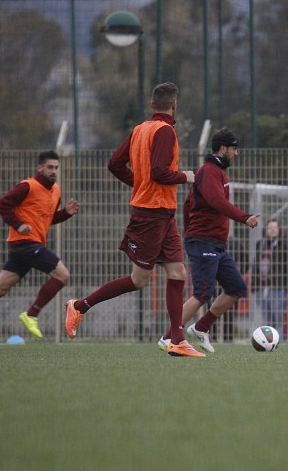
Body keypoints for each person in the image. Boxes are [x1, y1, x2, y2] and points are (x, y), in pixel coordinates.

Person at [64, 82, 203, 357]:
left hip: (163, 213)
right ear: (174, 105)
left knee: (177, 273)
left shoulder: (140, 129)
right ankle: (80, 306)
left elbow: (115, 164)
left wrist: (138, 184)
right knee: (139, 280)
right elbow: (160, 173)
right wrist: (185, 176)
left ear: (152, 106)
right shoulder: (165, 131)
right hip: (150, 214)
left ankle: (176, 339)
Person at [0, 150, 79, 351]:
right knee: (63, 275)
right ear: (40, 168)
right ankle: (31, 314)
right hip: (25, 243)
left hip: (29, 246)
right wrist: (18, 224)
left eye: (56, 167)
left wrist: (66, 213)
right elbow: (3, 204)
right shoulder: (28, 186)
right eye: (50, 167)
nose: (54, 171)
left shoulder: (55, 191)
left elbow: (47, 218)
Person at [156, 128, 260, 353]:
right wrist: (244, 217)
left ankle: (201, 328)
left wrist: (189, 232)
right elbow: (215, 201)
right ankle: (169, 336)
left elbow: (187, 205)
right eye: (234, 149)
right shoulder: (210, 171)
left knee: (237, 287)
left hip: (215, 244)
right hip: (203, 242)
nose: (236, 153)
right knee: (202, 292)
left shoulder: (217, 172)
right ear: (222, 148)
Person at [252, 218, 288, 336]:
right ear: (265, 230)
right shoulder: (260, 244)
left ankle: (279, 342)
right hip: (262, 287)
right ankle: (269, 341)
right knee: (267, 319)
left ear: (279, 230)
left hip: (278, 286)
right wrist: (254, 284)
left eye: (275, 228)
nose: (272, 230)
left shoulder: (285, 245)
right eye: (269, 228)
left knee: (279, 319)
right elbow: (256, 265)